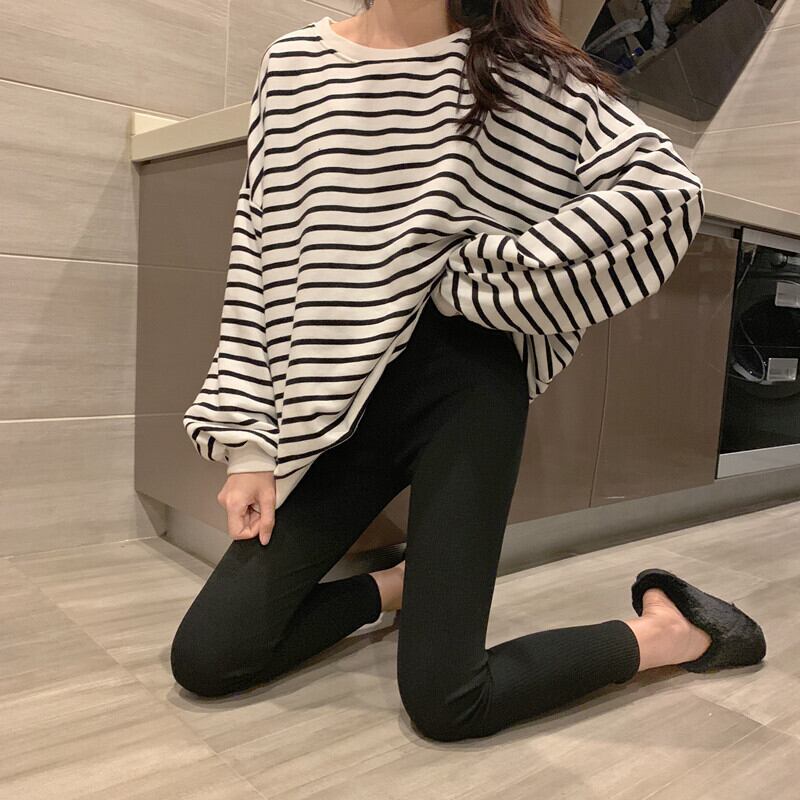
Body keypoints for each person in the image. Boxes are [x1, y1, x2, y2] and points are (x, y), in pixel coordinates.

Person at [171, 0, 764, 742]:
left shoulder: (523, 71)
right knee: (207, 656)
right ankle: (397, 588)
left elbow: (664, 195)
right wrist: (250, 447)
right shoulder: (293, 67)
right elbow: (259, 250)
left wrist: (475, 279)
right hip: (338, 402)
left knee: (448, 702)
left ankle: (669, 631)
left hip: (464, 385)